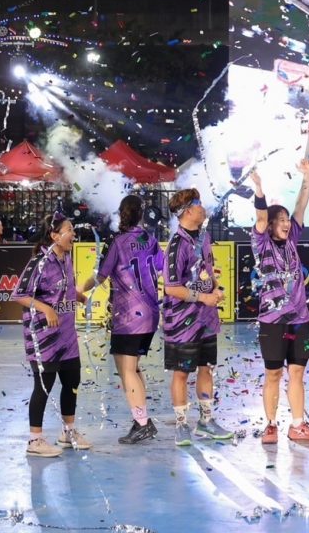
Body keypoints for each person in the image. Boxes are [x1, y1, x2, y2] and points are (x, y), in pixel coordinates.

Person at [250, 161, 309, 443]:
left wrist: (308, 176)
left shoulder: (292, 238)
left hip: (300, 320)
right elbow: (260, 216)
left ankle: (297, 425)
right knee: (273, 374)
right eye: (280, 220)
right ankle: (271, 424)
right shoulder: (261, 242)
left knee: (297, 372)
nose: (286, 224)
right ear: (270, 225)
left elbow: (301, 206)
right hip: (272, 322)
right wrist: (259, 189)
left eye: (286, 220)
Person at [81, 195, 162, 445]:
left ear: (121, 213)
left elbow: (100, 276)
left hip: (129, 316)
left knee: (127, 370)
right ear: (141, 214)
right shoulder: (149, 239)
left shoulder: (117, 242)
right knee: (132, 368)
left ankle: (142, 423)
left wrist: (78, 289)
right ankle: (141, 418)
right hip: (151, 312)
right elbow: (160, 268)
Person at [12, 212, 91, 457]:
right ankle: (35, 440)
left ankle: (68, 432)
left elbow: (62, 289)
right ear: (55, 236)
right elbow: (19, 294)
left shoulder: (66, 258)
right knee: (44, 385)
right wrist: (46, 309)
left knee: (72, 381)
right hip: (43, 337)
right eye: (69, 230)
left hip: (67, 335)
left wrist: (79, 296)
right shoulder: (39, 262)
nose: (74, 234)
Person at [163, 188, 232, 443]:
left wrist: (216, 289)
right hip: (183, 322)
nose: (203, 208)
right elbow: (171, 288)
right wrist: (203, 297)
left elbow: (208, 271)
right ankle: (182, 424)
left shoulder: (204, 237)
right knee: (181, 373)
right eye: (199, 204)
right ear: (187, 211)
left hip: (206, 320)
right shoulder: (176, 246)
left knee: (207, 368)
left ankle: (206, 421)